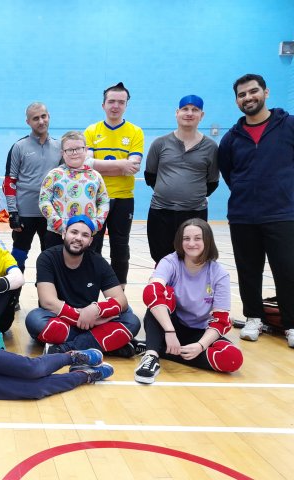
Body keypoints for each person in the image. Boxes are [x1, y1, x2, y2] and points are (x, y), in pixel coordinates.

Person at [219, 74, 294, 347]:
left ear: (266, 92)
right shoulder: (231, 138)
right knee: (248, 269)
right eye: (242, 95)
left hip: (282, 214)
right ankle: (253, 316)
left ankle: (291, 323)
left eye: (253, 92)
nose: (248, 98)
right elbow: (229, 173)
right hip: (243, 216)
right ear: (237, 100)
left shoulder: (288, 125)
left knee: (287, 269)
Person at [135, 218, 243, 384]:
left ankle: (162, 351)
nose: (191, 243)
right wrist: (170, 332)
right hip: (170, 326)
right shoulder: (170, 262)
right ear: (180, 241)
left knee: (232, 359)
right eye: (186, 238)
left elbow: (221, 320)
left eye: (197, 238)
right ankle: (151, 356)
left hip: (199, 332)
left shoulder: (219, 273)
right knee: (163, 294)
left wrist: (200, 346)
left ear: (207, 240)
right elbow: (151, 292)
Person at [25, 215, 141, 357]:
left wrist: (96, 309)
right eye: (74, 232)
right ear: (64, 234)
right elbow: (48, 301)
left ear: (90, 241)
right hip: (62, 318)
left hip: (90, 319)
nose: (79, 238)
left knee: (132, 320)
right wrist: (81, 316)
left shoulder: (98, 262)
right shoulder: (47, 258)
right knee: (35, 319)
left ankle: (63, 348)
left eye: (85, 235)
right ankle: (107, 344)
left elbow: (121, 301)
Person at [145, 95, 219, 264]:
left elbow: (212, 182)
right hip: (161, 212)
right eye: (185, 109)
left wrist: (190, 196)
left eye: (195, 110)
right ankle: (163, 291)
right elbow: (150, 176)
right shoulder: (160, 143)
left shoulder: (211, 147)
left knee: (192, 259)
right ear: (177, 113)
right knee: (162, 260)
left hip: (195, 213)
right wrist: (168, 193)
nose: (189, 113)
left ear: (202, 115)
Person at [84, 82, 144, 287]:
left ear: (126, 105)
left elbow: (134, 166)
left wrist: (101, 165)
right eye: (111, 101)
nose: (116, 106)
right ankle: (90, 290)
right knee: (93, 246)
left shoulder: (135, 132)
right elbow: (87, 165)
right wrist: (121, 164)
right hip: (96, 198)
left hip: (124, 198)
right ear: (103, 105)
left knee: (120, 248)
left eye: (121, 102)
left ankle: (119, 295)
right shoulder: (92, 131)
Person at [3, 102, 61, 307]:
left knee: (50, 259)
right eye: (35, 118)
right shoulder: (19, 147)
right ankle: (11, 299)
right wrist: (12, 212)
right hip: (25, 214)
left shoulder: (60, 147)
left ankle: (47, 301)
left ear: (49, 116)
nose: (41, 121)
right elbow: (10, 182)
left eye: (44, 116)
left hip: (51, 216)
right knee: (18, 256)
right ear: (28, 122)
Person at [39, 130, 110, 249]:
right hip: (57, 234)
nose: (74, 153)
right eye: (69, 150)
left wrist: (97, 223)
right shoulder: (54, 175)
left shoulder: (95, 176)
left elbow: (103, 201)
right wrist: (58, 223)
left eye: (79, 148)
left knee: (87, 266)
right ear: (62, 153)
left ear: (86, 150)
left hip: (87, 234)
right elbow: (44, 201)